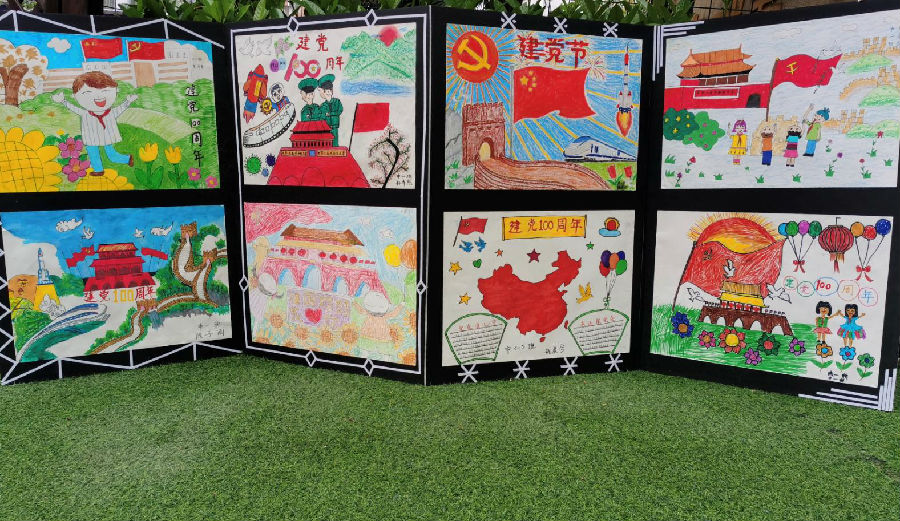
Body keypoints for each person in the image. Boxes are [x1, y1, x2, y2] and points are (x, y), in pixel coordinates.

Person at [51, 71, 136, 176]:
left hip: (106, 137)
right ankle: (98, 170)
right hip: (91, 138)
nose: (98, 97)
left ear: (115, 91)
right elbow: (73, 108)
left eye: (105, 91)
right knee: (93, 153)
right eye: (88, 93)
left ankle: (127, 159)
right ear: (75, 96)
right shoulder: (85, 113)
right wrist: (63, 101)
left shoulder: (110, 112)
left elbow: (121, 108)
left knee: (111, 155)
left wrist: (128, 102)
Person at [318, 74, 343, 146]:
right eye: (326, 92)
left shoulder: (337, 101)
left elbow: (339, 111)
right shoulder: (322, 106)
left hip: (334, 127)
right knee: (327, 144)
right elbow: (322, 117)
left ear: (332, 91)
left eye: (330, 91)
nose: (328, 93)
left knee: (335, 143)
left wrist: (330, 114)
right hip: (326, 128)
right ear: (324, 93)